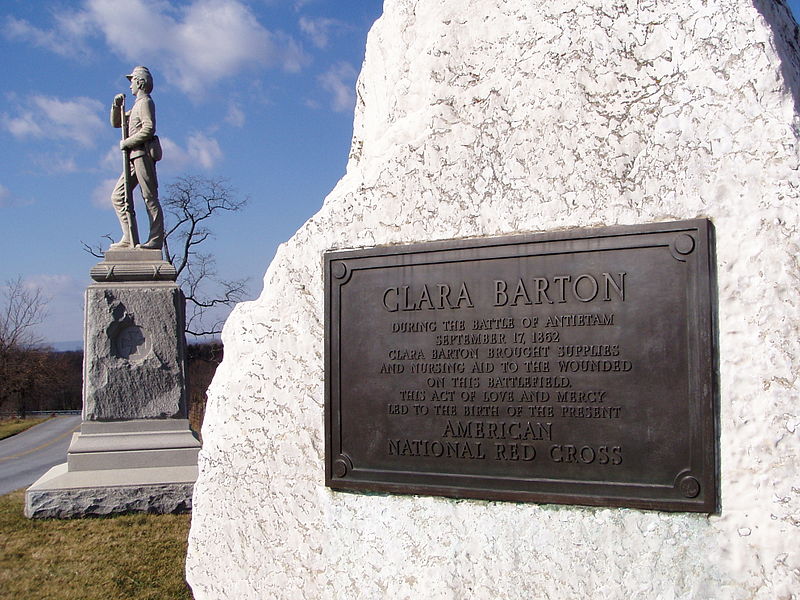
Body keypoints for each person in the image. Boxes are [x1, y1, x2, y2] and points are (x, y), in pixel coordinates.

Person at [108, 66, 164, 250]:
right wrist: (116, 106)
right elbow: (117, 123)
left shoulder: (146, 102)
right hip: (132, 157)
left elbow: (149, 128)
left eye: (132, 80)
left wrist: (128, 142)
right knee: (118, 196)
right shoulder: (135, 106)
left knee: (149, 197)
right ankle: (129, 237)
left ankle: (156, 238)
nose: (130, 84)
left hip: (142, 154)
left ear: (140, 82)